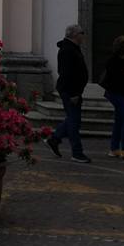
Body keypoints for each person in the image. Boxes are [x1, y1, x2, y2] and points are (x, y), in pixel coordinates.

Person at [46, 24, 91, 163]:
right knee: (74, 122)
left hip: (73, 90)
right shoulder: (67, 50)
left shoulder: (72, 48)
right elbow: (66, 74)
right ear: (75, 35)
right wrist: (74, 93)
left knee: (73, 119)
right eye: (82, 33)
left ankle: (54, 139)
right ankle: (77, 152)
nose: (83, 35)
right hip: (70, 91)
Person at [102, 35, 124, 161]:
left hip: (123, 93)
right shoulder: (112, 61)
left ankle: (114, 148)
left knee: (120, 120)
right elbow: (114, 78)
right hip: (114, 93)